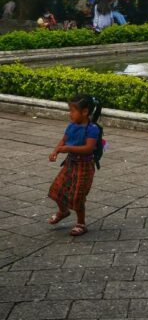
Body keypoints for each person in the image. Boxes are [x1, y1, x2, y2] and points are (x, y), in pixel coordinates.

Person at [47, 94, 101, 237]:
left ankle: (81, 223)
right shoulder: (71, 126)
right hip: (70, 164)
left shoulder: (92, 129)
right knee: (57, 189)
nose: (70, 114)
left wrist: (68, 149)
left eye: (72, 110)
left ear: (85, 112)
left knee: (78, 196)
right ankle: (63, 211)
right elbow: (63, 140)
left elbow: (89, 148)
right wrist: (56, 151)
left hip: (84, 166)